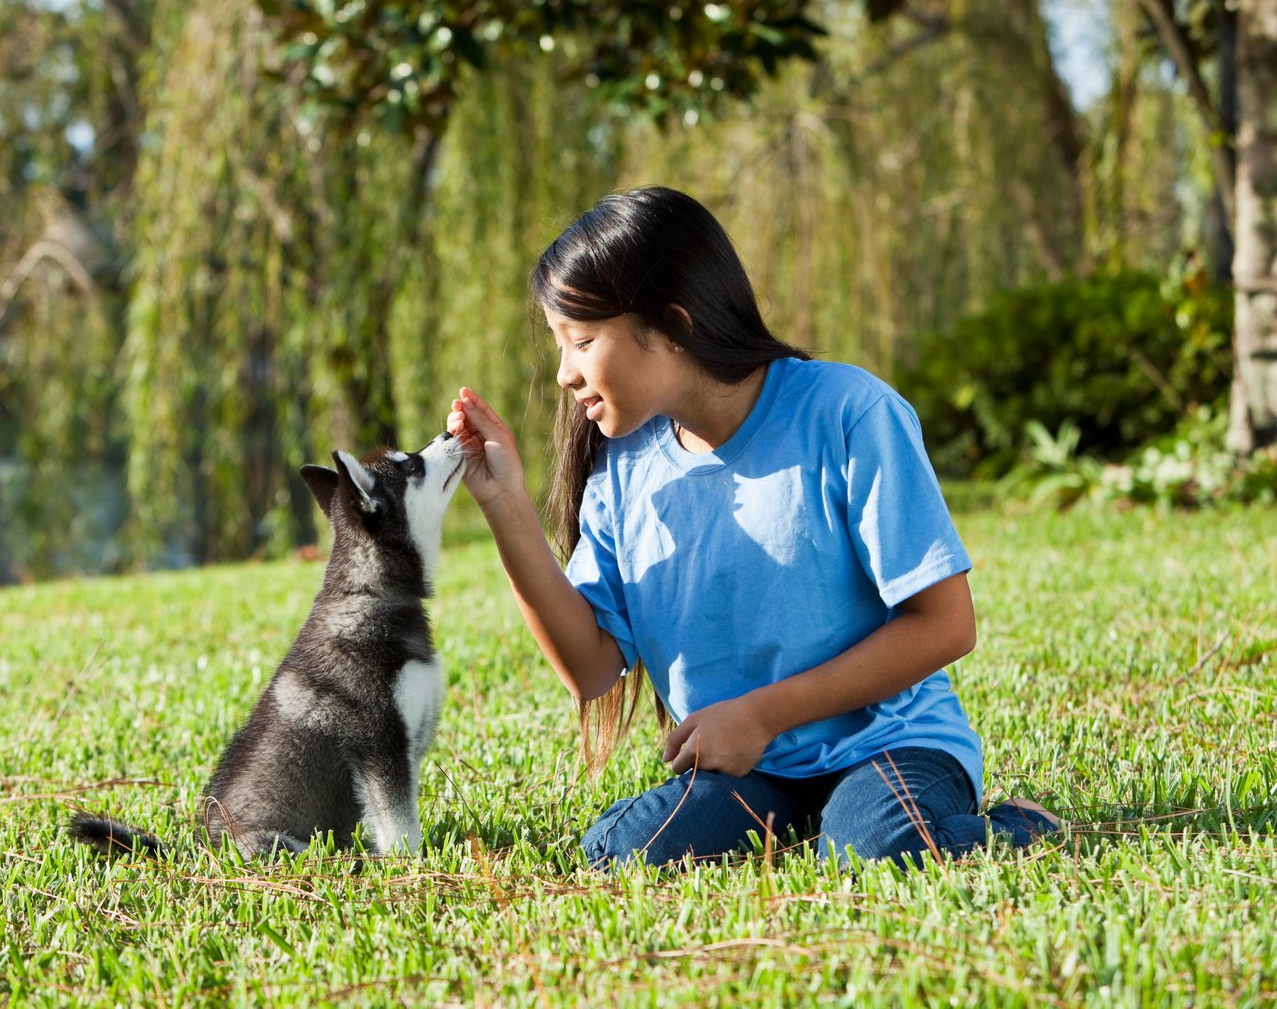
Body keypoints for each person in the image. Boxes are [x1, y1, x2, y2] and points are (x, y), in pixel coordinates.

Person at [446, 186, 1059, 869]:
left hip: (890, 744)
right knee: (619, 853)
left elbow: (946, 624)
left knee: (876, 854)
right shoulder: (623, 469)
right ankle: (803, 822)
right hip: (754, 773)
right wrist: (506, 507)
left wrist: (763, 715)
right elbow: (591, 670)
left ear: (673, 324)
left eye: (582, 341)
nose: (564, 373)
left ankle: (1020, 824)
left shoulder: (849, 412)